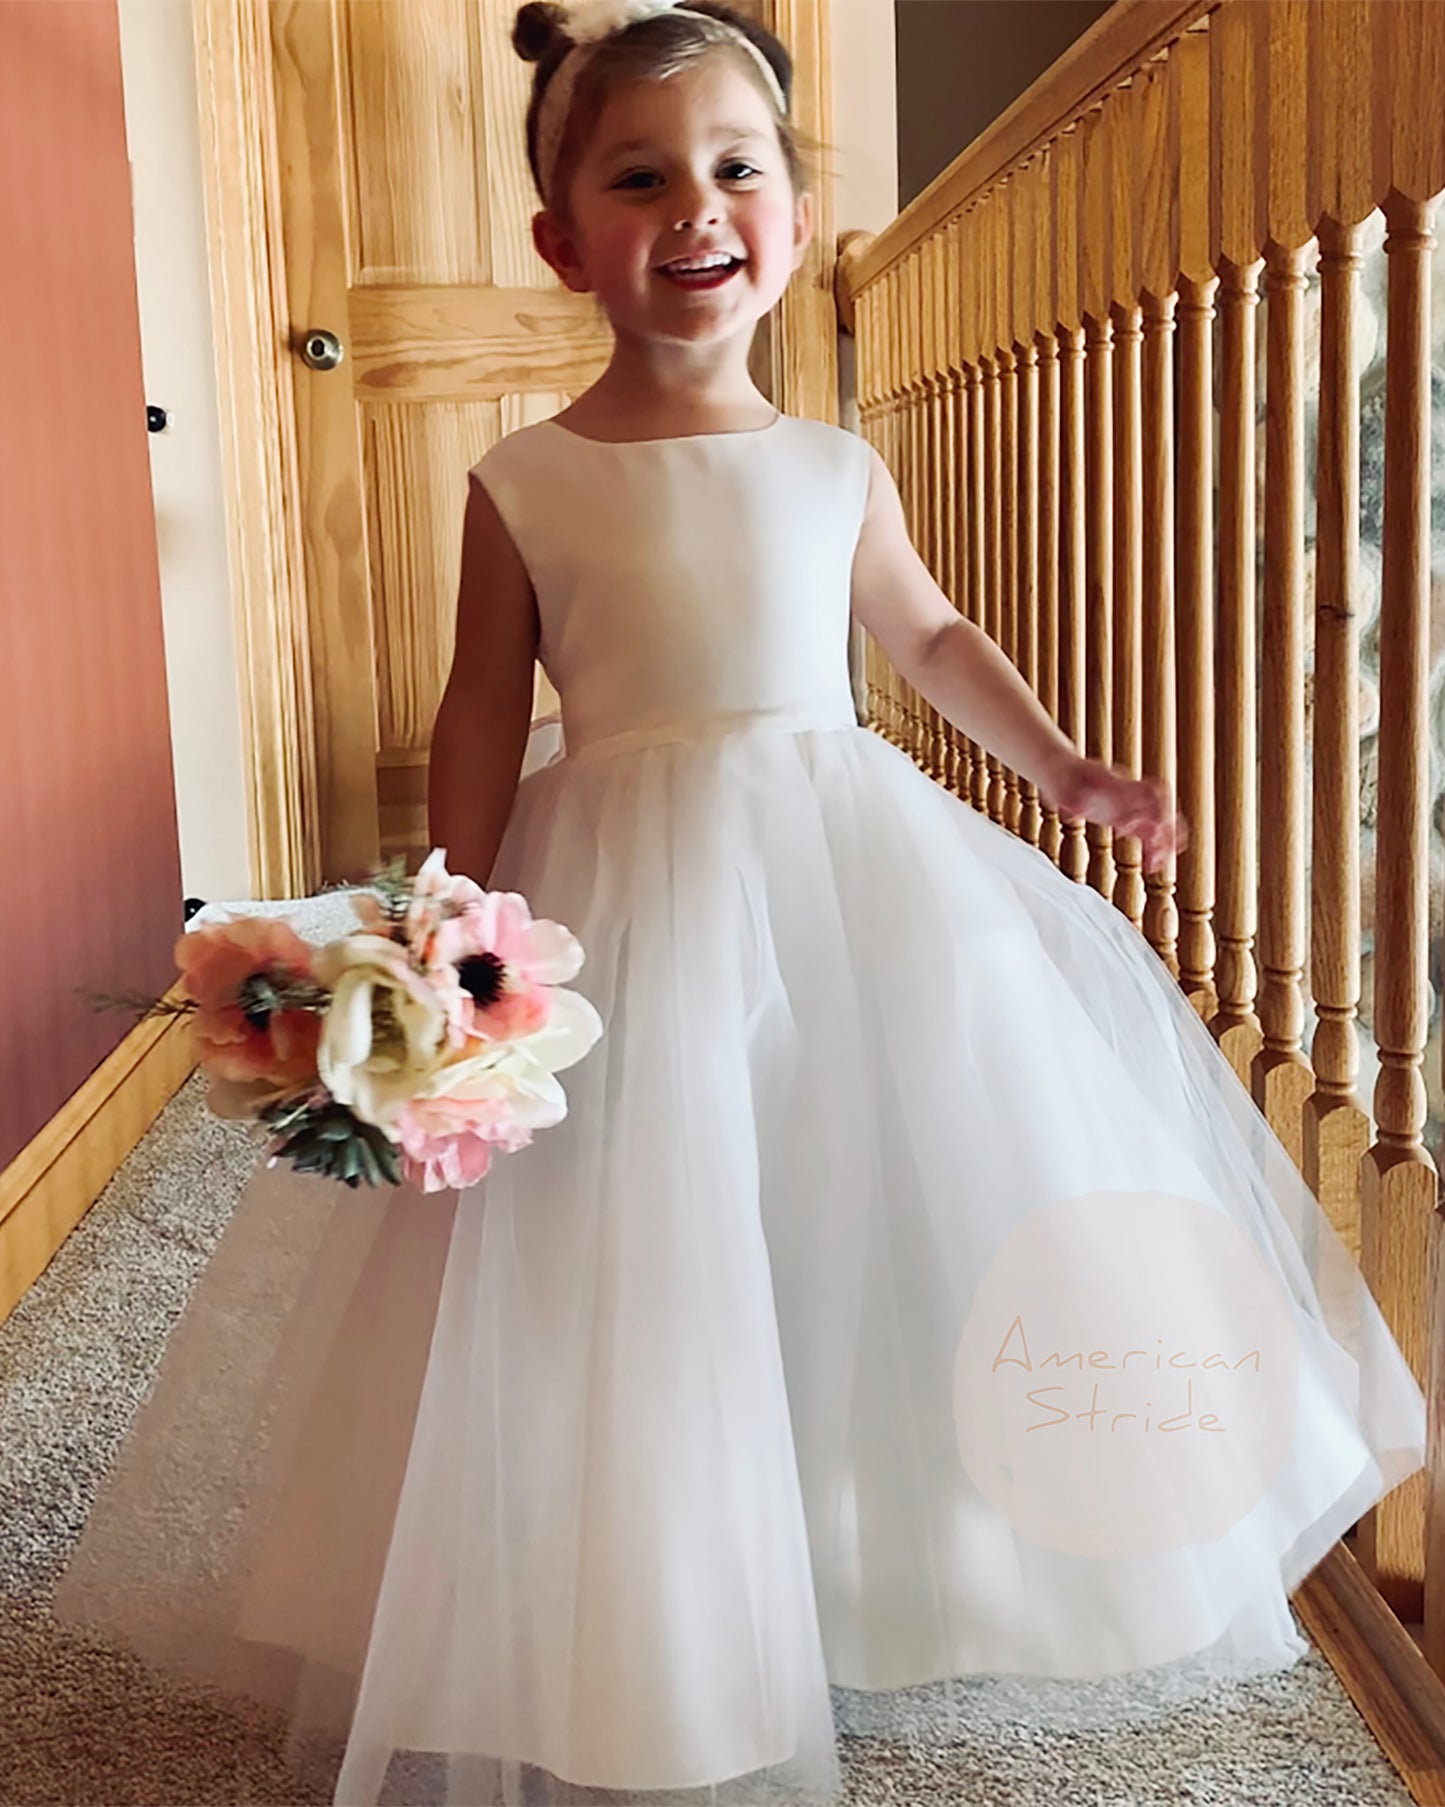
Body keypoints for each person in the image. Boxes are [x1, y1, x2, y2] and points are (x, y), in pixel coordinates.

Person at [49, 4, 1427, 1805]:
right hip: (615, 882)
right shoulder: (524, 479)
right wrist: (444, 905)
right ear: (562, 243)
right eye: (638, 177)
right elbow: (483, 696)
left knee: (876, 1182)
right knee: (645, 1230)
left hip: (848, 857)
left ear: (785, 212)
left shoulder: (833, 464)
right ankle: (665, 1589)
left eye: (735, 168)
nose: (694, 206)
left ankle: (869, 1555)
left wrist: (1065, 765)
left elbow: (923, 634)